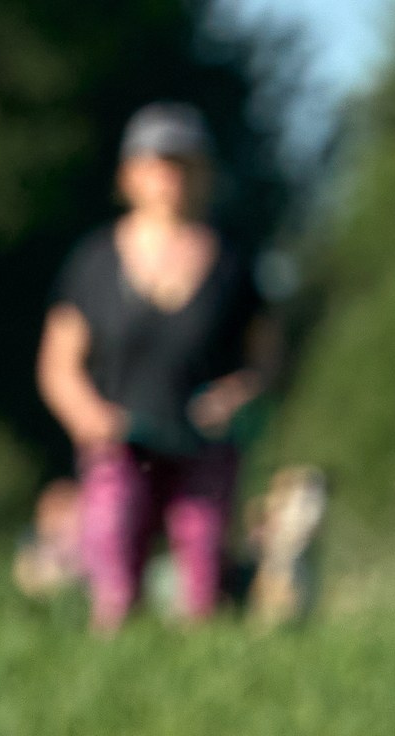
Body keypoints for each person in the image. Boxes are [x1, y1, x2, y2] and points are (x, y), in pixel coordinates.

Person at [36, 102, 281, 633]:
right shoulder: (96, 261)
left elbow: (265, 361)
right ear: (130, 175)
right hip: (121, 444)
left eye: (181, 163)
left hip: (203, 444)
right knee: (116, 576)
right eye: (155, 163)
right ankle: (116, 676)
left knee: (203, 581)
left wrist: (237, 395)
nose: (168, 176)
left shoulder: (234, 265)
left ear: (203, 174)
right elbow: (58, 364)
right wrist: (90, 418)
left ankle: (200, 682)